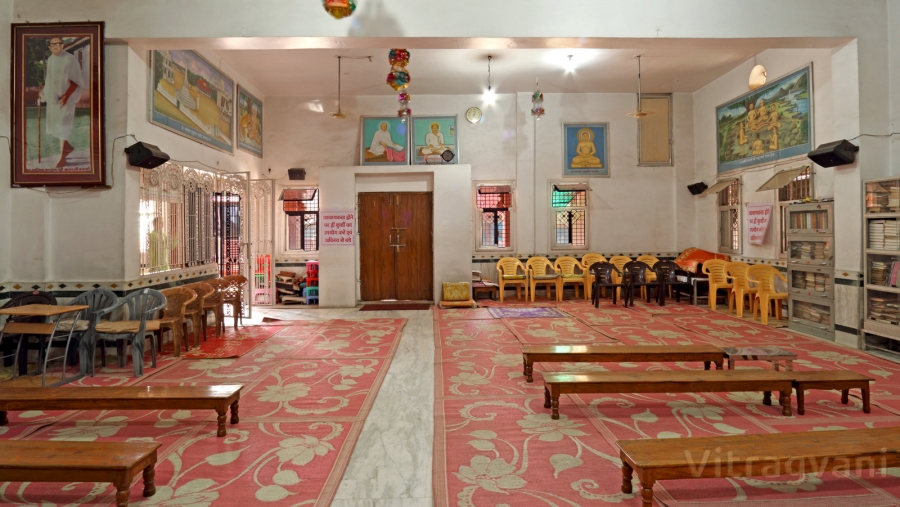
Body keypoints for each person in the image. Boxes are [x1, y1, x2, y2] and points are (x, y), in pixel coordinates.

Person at [38, 37, 87, 168]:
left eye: (57, 44)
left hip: (68, 95)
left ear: (62, 45)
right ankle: (67, 147)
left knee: (63, 124)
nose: (55, 46)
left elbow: (76, 81)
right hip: (53, 96)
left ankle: (62, 157)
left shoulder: (70, 59)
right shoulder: (50, 59)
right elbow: (50, 79)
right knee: (55, 123)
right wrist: (44, 91)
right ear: (49, 47)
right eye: (52, 44)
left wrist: (65, 96)